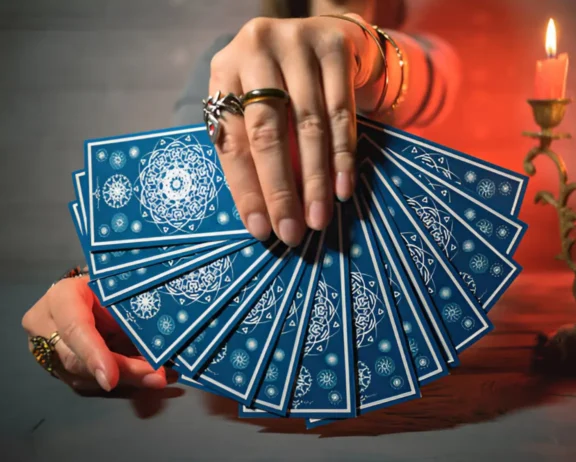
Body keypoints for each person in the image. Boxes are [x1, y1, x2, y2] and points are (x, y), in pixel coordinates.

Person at [22, 0, 460, 392]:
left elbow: (428, 76)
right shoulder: (227, 57)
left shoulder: (425, 55)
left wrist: (363, 50)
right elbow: (181, 232)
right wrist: (106, 290)